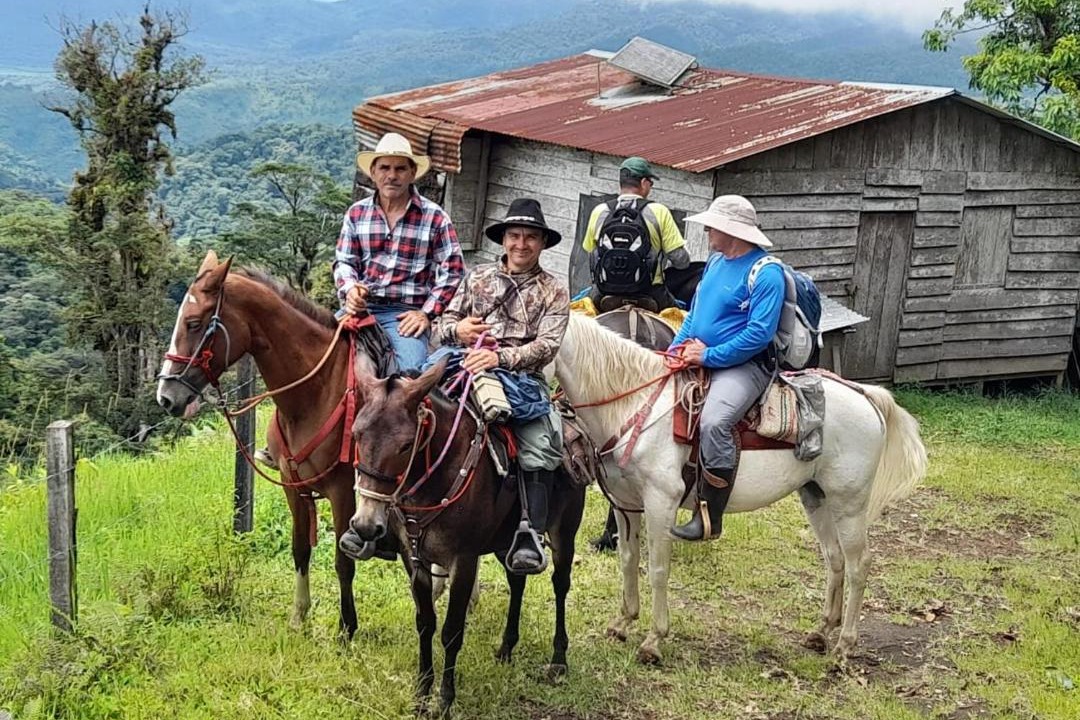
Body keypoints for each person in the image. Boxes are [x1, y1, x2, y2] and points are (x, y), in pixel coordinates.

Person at [433, 197, 570, 574]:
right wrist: (458, 330)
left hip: (522, 378)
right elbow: (440, 327)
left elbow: (547, 345)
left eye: (530, 237)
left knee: (541, 443)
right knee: (406, 414)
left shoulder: (554, 291)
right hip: (462, 365)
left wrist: (500, 359)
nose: (521, 244)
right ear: (503, 239)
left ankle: (529, 532)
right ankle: (390, 511)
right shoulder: (476, 278)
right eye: (514, 235)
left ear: (542, 242)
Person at [668, 195, 785, 542]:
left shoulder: (766, 274)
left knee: (715, 421)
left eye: (712, 225)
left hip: (745, 366)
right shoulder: (717, 262)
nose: (706, 230)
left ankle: (708, 515)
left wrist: (708, 356)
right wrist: (676, 348)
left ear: (731, 231)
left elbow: (758, 334)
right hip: (700, 354)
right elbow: (695, 314)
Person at [333, 132, 465, 373]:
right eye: (384, 168)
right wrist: (351, 289)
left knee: (407, 377)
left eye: (400, 169)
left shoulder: (434, 217)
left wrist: (426, 314)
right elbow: (344, 261)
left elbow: (453, 272)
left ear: (412, 173)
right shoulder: (356, 214)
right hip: (361, 307)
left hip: (404, 315)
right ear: (373, 172)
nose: (391, 176)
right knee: (319, 358)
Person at [582, 156, 691, 311]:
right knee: (681, 323)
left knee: (579, 315)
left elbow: (590, 253)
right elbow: (681, 261)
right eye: (651, 183)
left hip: (604, 292)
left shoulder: (600, 212)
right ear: (643, 182)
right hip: (651, 293)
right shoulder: (659, 212)